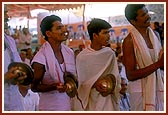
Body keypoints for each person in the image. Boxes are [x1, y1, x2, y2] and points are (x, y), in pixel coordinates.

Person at [30, 15, 77, 111]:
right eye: (59, 28)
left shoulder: (69, 52)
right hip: (49, 107)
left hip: (67, 105)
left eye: (63, 27)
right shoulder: (40, 58)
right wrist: (53, 87)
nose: (64, 30)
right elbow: (34, 87)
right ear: (48, 33)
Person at [123, 4, 164, 111]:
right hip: (139, 91)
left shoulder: (156, 35)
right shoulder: (129, 41)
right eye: (143, 14)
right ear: (133, 21)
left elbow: (161, 65)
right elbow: (130, 75)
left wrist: (162, 63)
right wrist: (158, 64)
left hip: (158, 86)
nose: (148, 16)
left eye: (147, 12)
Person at [73, 18, 121, 111]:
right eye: (105, 33)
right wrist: (95, 84)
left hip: (107, 99)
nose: (108, 36)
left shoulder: (110, 54)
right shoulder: (82, 57)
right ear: (95, 35)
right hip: (90, 100)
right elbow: (80, 83)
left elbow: (116, 78)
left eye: (108, 33)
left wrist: (108, 85)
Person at [3, 5, 27, 111]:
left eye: (6, 13)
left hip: (13, 102)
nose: (7, 17)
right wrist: (5, 77)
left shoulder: (9, 40)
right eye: (3, 13)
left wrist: (22, 75)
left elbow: (18, 65)